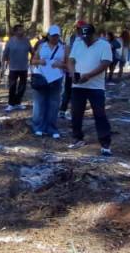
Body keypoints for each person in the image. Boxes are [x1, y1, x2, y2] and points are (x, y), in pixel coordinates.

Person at [67, 23, 113, 156]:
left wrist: (89, 75)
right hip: (78, 85)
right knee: (76, 113)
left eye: (88, 37)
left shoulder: (104, 45)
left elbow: (105, 64)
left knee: (99, 114)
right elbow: (71, 60)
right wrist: (72, 73)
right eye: (83, 37)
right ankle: (77, 138)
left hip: (95, 86)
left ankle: (105, 143)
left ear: (94, 34)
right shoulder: (78, 43)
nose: (85, 39)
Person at [31, 25, 66, 138]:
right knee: (39, 102)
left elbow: (68, 63)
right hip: (41, 76)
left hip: (56, 78)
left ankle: (51, 128)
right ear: (49, 35)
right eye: (53, 35)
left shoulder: (63, 48)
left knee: (54, 103)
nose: (55, 38)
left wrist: (61, 65)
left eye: (57, 36)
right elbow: (33, 60)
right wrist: (39, 61)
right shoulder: (42, 46)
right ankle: (38, 126)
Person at [3, 25, 31, 111]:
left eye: (22, 30)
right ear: (15, 32)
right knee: (12, 86)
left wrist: (34, 59)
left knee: (22, 87)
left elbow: (32, 50)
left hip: (24, 67)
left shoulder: (26, 41)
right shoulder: (10, 41)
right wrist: (4, 61)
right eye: (19, 30)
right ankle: (11, 104)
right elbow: (5, 53)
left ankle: (18, 102)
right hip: (13, 68)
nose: (22, 32)